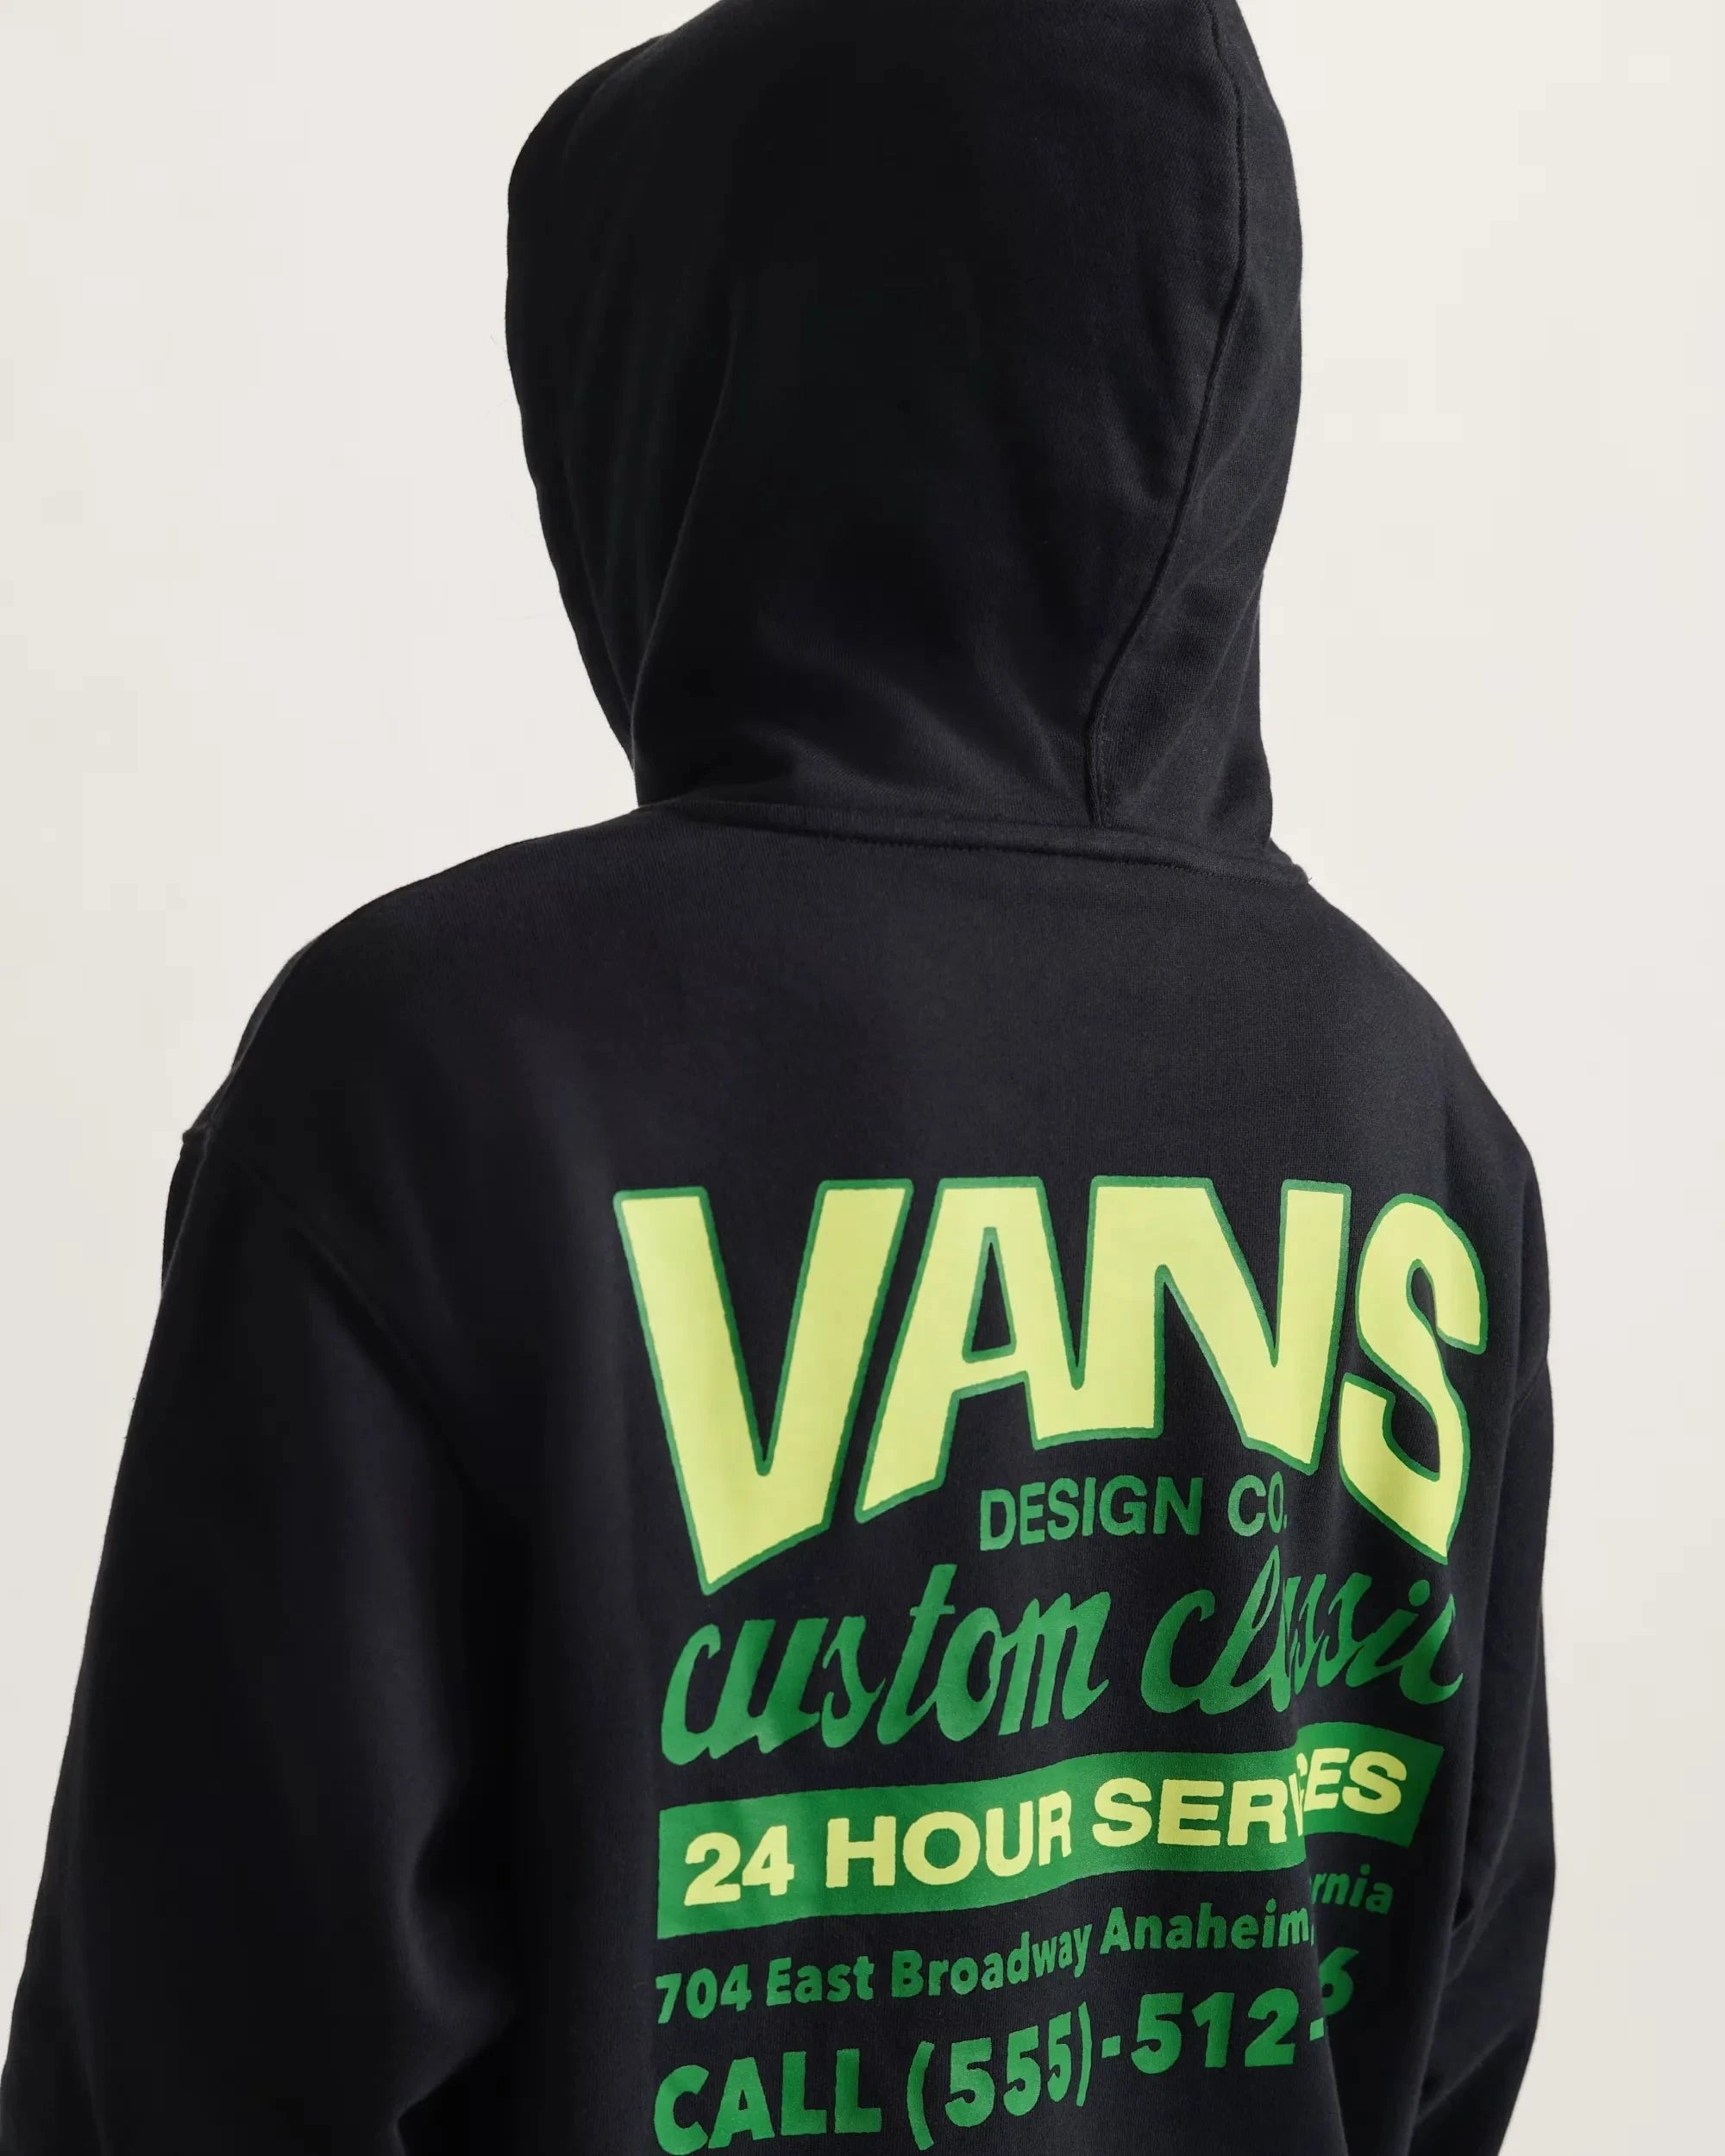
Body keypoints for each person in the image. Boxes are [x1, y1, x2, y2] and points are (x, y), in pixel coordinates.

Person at [0, 3, 1552, 2150]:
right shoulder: (1407, 1111)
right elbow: (1447, 2000)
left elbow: (201, 2056)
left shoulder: (440, 1080)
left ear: (700, 394)